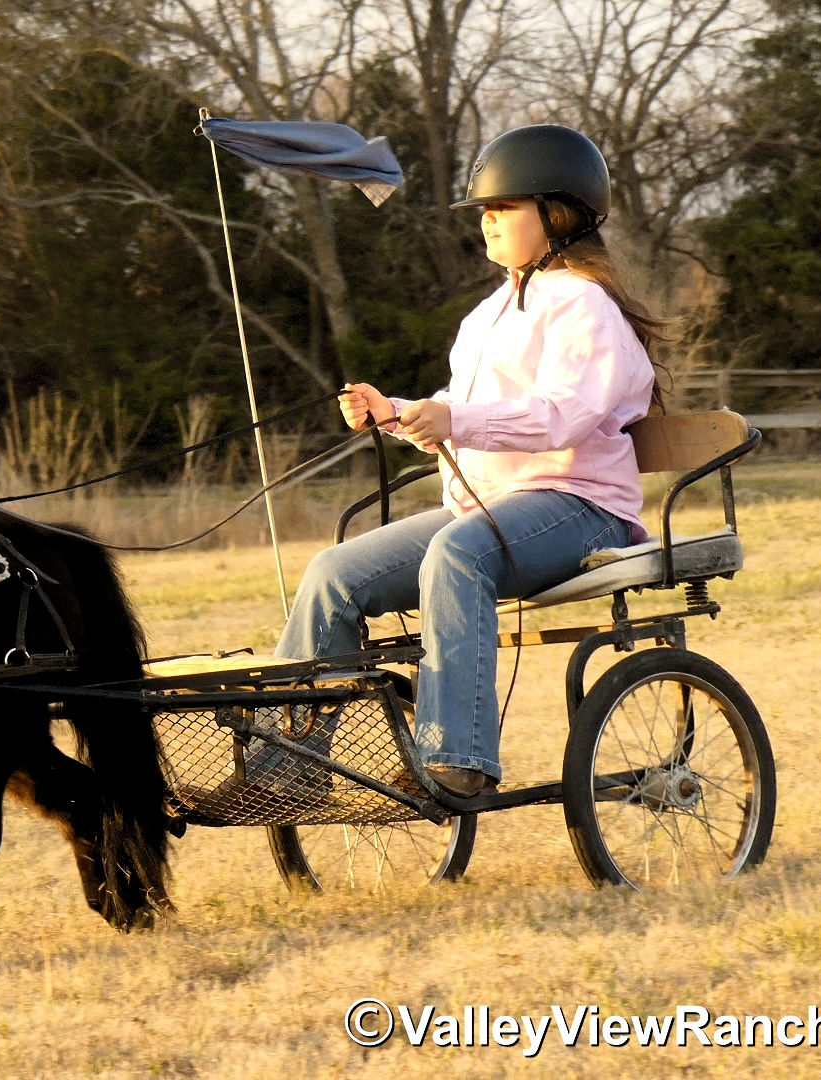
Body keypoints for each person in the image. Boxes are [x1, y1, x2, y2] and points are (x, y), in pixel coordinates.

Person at [275, 124, 670, 798]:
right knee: (333, 575)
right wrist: (398, 412)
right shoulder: (489, 313)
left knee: (459, 554)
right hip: (490, 509)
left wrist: (455, 419)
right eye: (483, 210)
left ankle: (458, 760)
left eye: (503, 208)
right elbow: (465, 412)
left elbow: (563, 415)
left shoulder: (584, 306)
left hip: (580, 509)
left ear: (559, 214)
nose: (486, 222)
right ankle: (288, 769)